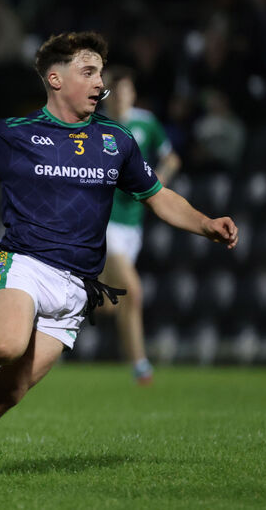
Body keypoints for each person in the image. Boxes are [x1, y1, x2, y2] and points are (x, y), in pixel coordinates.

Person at [0, 31, 238, 478]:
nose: (101, 82)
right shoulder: (17, 135)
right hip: (24, 264)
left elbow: (158, 196)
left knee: (6, 396)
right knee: (5, 342)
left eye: (101, 72)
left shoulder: (116, 141)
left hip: (76, 291)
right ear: (55, 79)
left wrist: (205, 223)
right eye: (89, 71)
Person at [97, 66, 181, 384]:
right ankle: (141, 366)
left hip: (134, 226)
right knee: (133, 291)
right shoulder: (94, 125)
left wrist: (155, 186)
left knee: (106, 306)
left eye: (125, 91)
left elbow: (172, 158)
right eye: (114, 91)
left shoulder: (146, 123)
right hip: (104, 222)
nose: (119, 97)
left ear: (133, 94)